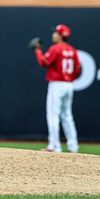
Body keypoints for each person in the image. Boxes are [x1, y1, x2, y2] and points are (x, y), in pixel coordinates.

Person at [31, 24, 81, 153]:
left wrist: (38, 50)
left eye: (56, 33)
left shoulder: (56, 48)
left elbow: (43, 62)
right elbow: (77, 68)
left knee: (53, 115)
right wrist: (70, 79)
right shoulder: (72, 50)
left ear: (60, 36)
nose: (53, 35)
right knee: (67, 116)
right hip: (69, 85)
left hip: (57, 84)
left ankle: (54, 146)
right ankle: (73, 146)